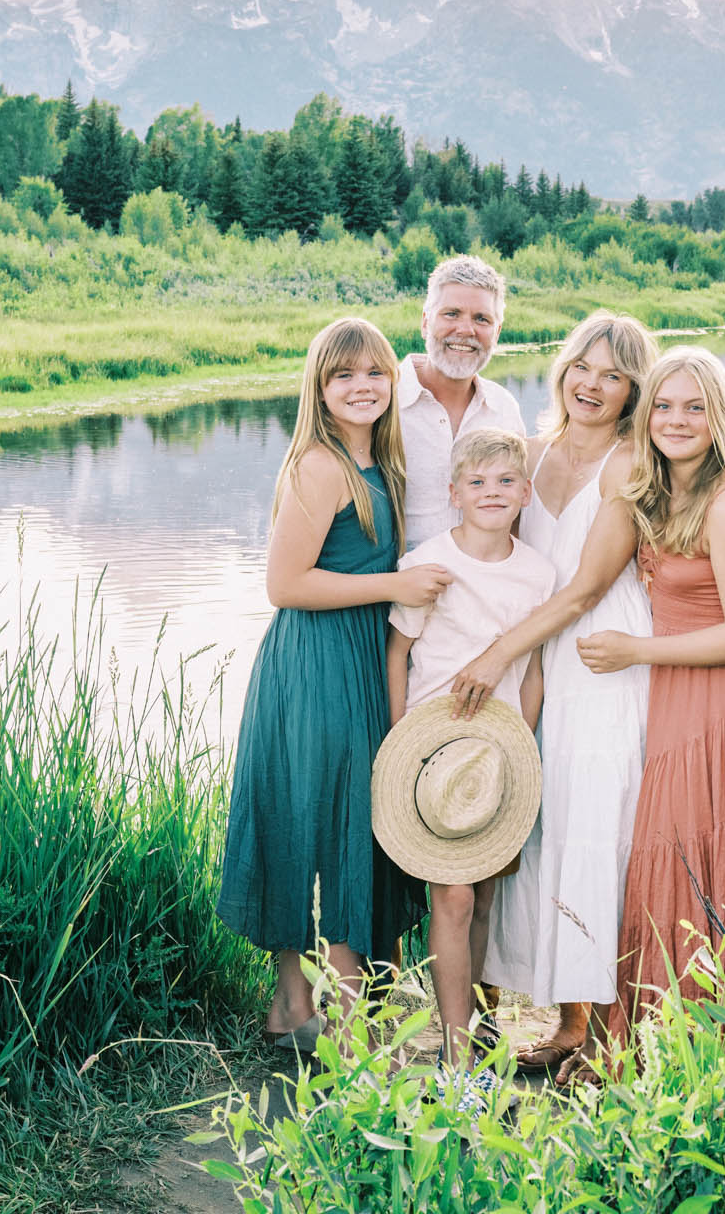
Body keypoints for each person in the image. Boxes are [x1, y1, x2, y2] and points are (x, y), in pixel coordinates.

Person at [216, 316, 453, 1050]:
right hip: (314, 663)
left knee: (320, 818)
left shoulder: (381, 464)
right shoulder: (320, 465)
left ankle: (292, 1009)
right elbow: (284, 584)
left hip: (352, 656)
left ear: (394, 382)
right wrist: (398, 582)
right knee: (330, 824)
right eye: (343, 375)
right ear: (319, 388)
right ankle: (350, 1028)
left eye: (375, 372)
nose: (362, 386)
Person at [578, 345, 725, 1042]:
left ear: (720, 417)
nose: (676, 421)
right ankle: (668, 1030)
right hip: (680, 684)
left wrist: (634, 652)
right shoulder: (659, 490)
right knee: (671, 842)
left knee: (714, 844)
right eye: (664, 406)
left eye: (695, 408)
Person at [464, 310, 658, 1080]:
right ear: (563, 368)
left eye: (613, 375)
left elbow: (584, 589)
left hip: (594, 656)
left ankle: (595, 1028)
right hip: (526, 662)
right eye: (584, 365)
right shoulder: (528, 452)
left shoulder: (625, 463)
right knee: (526, 821)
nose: (593, 384)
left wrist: (499, 650)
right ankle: (536, 1015)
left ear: (631, 390)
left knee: (591, 821)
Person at [383, 427, 557, 1106]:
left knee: (482, 897)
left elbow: (535, 670)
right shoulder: (430, 563)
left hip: (497, 757)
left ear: (526, 492)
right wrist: (400, 737)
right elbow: (399, 652)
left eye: (505, 483)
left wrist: (524, 748)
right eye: (477, 483)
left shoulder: (537, 573)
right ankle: (457, 1062)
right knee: (451, 896)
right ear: (452, 493)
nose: (492, 494)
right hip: (433, 755)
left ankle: (472, 1030)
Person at [395, 254, 525, 546]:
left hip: (485, 588)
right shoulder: (383, 401)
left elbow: (515, 517)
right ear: (426, 322)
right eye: (451, 313)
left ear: (497, 332)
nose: (466, 330)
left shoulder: (505, 410)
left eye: (482, 319)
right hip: (395, 588)